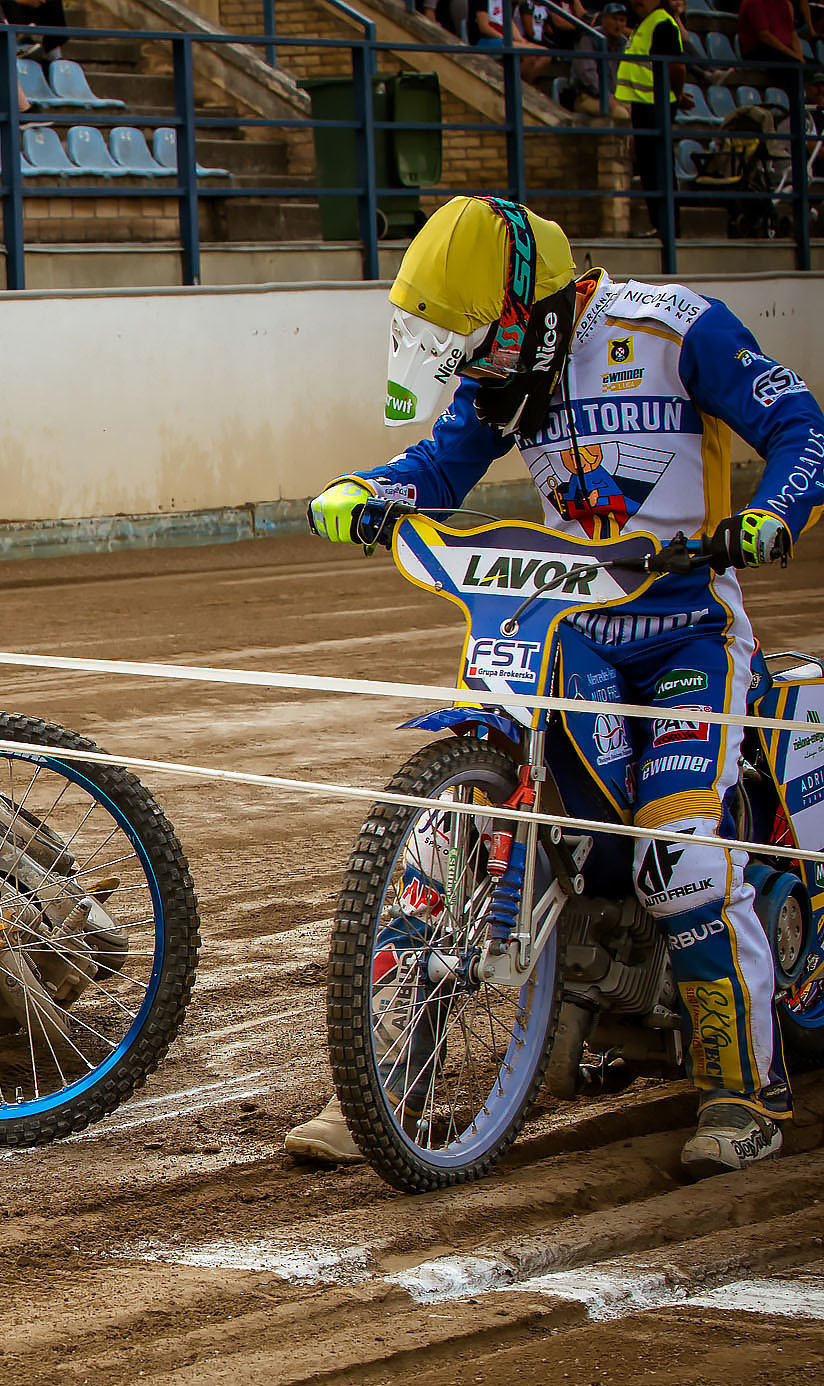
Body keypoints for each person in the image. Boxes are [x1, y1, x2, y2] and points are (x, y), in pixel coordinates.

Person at [298, 197, 824, 1179]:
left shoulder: (673, 329)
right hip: (565, 631)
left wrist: (768, 514)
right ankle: (384, 1079)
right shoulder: (511, 375)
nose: (475, 366)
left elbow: (800, 423)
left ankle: (740, 1093)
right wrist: (371, 491)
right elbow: (441, 460)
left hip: (687, 634)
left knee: (678, 850)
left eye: (484, 341)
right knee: (465, 827)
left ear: (536, 313)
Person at [611, 0, 688, 229]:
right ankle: (660, 226)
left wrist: (676, 93)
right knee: (648, 169)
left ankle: (669, 229)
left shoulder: (662, 23)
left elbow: (677, 67)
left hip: (657, 106)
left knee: (659, 168)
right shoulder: (644, 23)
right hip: (644, 105)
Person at [736, 0, 805, 67]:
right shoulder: (754, 2)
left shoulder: (784, 3)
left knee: (811, 66)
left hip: (783, 51)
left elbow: (793, 34)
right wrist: (793, 55)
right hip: (759, 50)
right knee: (794, 67)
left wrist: (799, 56)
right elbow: (764, 36)